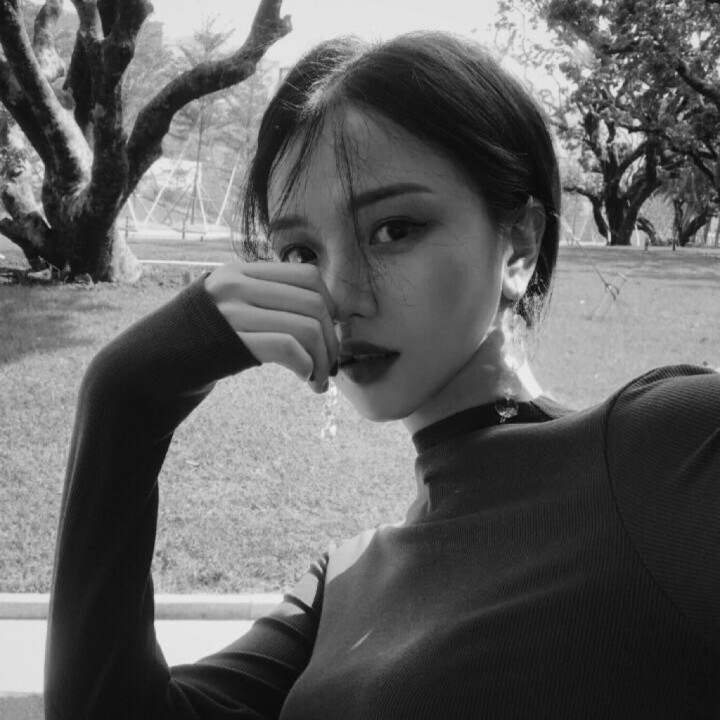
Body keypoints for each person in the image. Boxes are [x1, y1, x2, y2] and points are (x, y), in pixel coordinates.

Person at [45, 32, 719, 720]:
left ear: (519, 245)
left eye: (394, 229)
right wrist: (128, 392)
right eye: (300, 252)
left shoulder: (658, 454)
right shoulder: (338, 588)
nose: (340, 295)